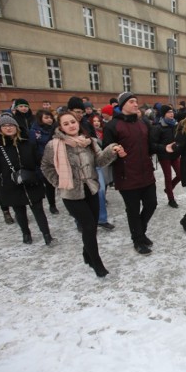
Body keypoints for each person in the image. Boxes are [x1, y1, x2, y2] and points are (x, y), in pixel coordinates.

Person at [41, 111, 122, 277]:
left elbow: (100, 161)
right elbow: (46, 167)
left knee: (90, 228)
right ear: (60, 127)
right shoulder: (54, 145)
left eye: (73, 122)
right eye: (66, 123)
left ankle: (87, 253)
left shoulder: (89, 141)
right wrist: (60, 182)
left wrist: (111, 150)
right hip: (71, 193)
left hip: (91, 189)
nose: (71, 125)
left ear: (77, 123)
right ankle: (96, 263)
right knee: (89, 226)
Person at [0, 114, 54, 245]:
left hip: (32, 182)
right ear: (0, 130)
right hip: (11, 185)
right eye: (4, 126)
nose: (8, 128)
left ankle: (46, 234)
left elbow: (40, 161)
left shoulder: (27, 143)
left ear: (17, 127)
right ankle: (26, 233)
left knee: (38, 210)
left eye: (11, 125)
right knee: (20, 212)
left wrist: (45, 174)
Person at [103, 92, 159, 255]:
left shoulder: (142, 123)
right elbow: (106, 153)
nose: (136, 104)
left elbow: (150, 147)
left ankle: (140, 232)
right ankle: (138, 240)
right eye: (132, 102)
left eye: (136, 102)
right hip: (126, 176)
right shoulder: (112, 125)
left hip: (146, 173)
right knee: (133, 210)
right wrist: (115, 152)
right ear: (123, 105)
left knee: (151, 204)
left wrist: (165, 148)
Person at [29, 109, 59, 215]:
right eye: (46, 118)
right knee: (49, 184)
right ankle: (52, 205)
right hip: (44, 161)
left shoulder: (57, 129)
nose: (49, 120)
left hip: (58, 159)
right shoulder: (35, 131)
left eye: (50, 117)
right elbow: (33, 147)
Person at [151, 105, 181, 208]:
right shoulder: (158, 127)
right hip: (164, 155)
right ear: (164, 114)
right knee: (168, 177)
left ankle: (169, 188)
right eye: (168, 112)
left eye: (172, 111)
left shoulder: (175, 125)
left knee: (181, 174)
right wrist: (164, 148)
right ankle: (171, 199)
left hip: (175, 154)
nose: (171, 113)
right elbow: (153, 144)